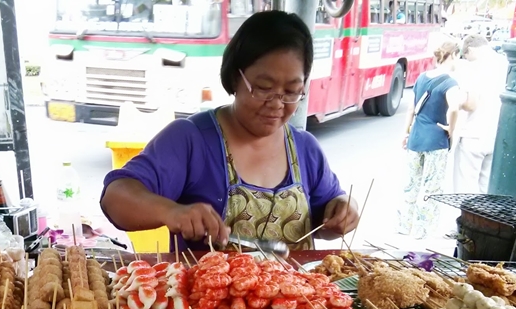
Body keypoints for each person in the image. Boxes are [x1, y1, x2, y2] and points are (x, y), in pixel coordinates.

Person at [100, 11, 359, 251]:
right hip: (208, 300)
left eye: (291, 92)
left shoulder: (305, 148)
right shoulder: (191, 140)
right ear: (236, 77)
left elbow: (324, 223)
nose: (277, 104)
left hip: (301, 300)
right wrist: (171, 212)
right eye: (263, 87)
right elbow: (115, 197)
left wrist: (344, 211)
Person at [398, 41, 463, 239]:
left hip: (416, 137)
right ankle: (422, 230)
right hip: (436, 140)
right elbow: (454, 108)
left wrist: (405, 132)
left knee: (411, 184)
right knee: (431, 187)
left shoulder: (421, 78)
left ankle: (404, 225)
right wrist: (451, 129)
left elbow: (411, 109)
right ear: (451, 55)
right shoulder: (450, 83)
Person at [450, 34, 509, 194]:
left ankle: (468, 218)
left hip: (473, 134)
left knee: (465, 188)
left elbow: (471, 104)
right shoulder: (506, 64)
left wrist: (457, 103)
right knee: (486, 187)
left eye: (466, 56)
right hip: (496, 134)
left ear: (470, 50)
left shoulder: (474, 68)